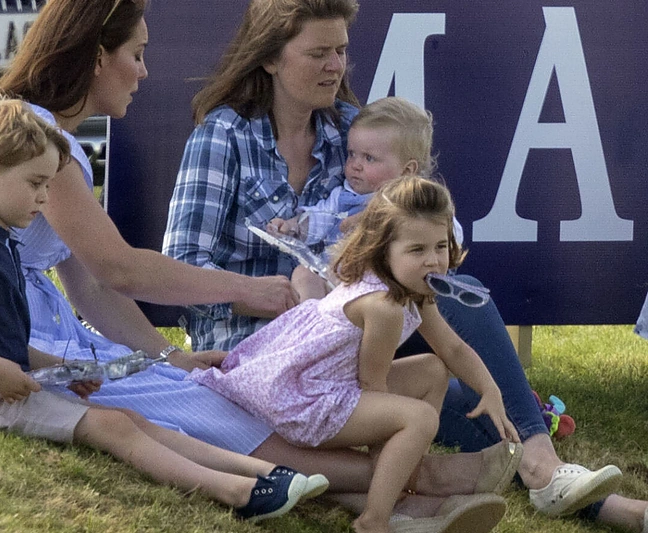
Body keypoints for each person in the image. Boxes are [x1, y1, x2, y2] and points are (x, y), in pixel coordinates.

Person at [0, 2, 526, 532]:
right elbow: (123, 270)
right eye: (138, 54)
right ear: (97, 56)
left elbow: (90, 282)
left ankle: (402, 495)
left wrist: (163, 356)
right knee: (201, 409)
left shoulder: (39, 137)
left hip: (30, 331)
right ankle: (421, 480)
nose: (145, 72)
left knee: (189, 388)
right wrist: (253, 291)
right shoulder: (34, 138)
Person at [163, 0, 647, 529]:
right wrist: (273, 291)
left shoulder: (354, 128)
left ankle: (545, 467)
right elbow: (181, 265)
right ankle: (446, 489)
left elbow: (420, 227)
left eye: (342, 51)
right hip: (263, 351)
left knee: (458, 299)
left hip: (347, 329)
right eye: (319, 53)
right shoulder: (224, 135)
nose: (335, 66)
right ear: (271, 59)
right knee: (449, 397)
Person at [0, 93, 325, 522]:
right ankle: (242, 494)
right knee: (112, 426)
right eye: (36, 184)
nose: (43, 198)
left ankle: (270, 474)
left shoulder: (2, 246)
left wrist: (63, 370)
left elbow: (1, 336)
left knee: (126, 416)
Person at [191, 176, 518, 533]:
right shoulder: (384, 308)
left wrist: (491, 390)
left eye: (441, 247)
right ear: (384, 249)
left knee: (433, 369)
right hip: (306, 402)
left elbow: (451, 347)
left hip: (330, 384)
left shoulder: (409, 289)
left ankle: (404, 473)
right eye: (417, 250)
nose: (433, 262)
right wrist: (399, 430)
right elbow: (374, 387)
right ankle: (375, 518)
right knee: (419, 418)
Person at [266, 96, 453, 301]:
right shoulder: (344, 196)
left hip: (384, 284)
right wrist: (294, 227)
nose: (356, 164)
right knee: (304, 274)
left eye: (369, 158)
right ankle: (312, 324)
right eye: (352, 154)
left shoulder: (416, 203)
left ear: (407, 170)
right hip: (338, 280)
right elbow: (321, 217)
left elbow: (451, 233)